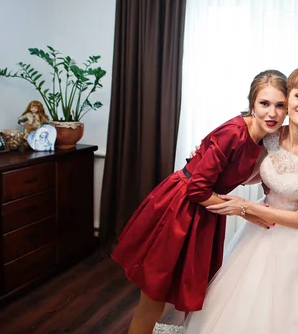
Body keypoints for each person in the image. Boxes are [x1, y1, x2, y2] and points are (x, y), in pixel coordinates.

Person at [112, 70, 288, 334]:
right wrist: (244, 210)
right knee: (154, 294)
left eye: (280, 105)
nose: (272, 113)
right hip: (181, 208)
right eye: (265, 104)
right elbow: (197, 189)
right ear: (252, 103)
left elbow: (245, 174)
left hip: (206, 210)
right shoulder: (234, 133)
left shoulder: (265, 137)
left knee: (182, 287)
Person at [183, 67, 298, 334]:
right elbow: (248, 173)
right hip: (259, 231)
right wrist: (203, 152)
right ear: (289, 99)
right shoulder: (272, 136)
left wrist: (246, 207)